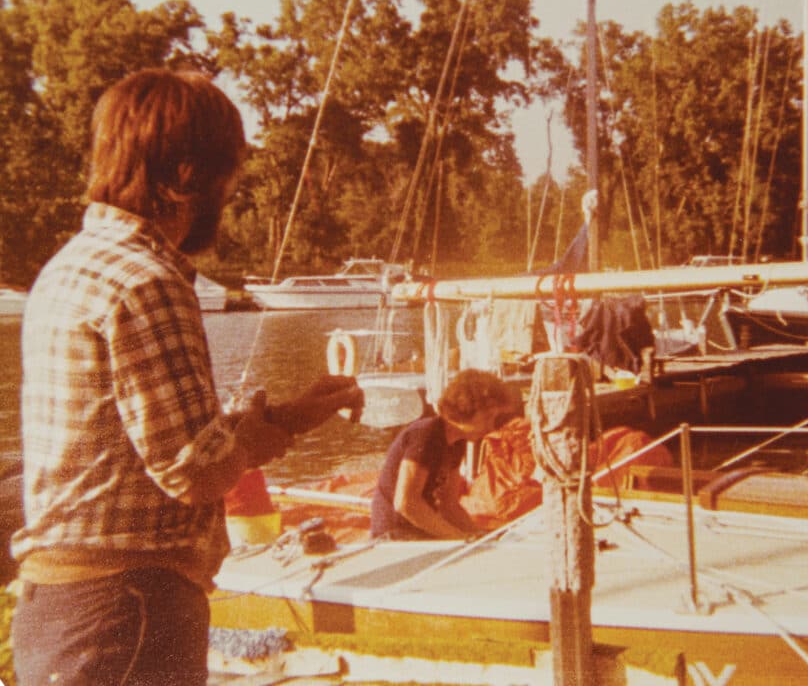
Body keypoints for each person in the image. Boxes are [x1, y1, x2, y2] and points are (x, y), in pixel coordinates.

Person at [11, 68, 364, 686]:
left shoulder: (71, 268)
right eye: (230, 175)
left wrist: (284, 419)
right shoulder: (147, 280)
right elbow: (193, 470)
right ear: (187, 177)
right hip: (128, 604)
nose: (231, 196)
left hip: (60, 604)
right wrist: (264, 436)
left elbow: (138, 448)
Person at [371, 369, 518, 540]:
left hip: (419, 531)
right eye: (488, 418)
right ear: (466, 408)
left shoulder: (457, 442)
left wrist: (479, 535)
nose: (491, 427)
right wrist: (459, 538)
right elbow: (406, 503)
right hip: (395, 534)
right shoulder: (426, 434)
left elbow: (449, 506)